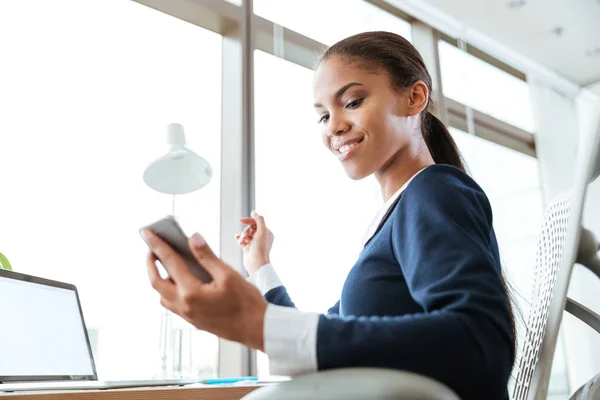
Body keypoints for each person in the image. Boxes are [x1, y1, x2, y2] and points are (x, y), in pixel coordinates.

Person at [140, 31, 515, 400]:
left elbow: (481, 345)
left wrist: (259, 324)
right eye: (323, 116)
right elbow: (329, 343)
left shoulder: (433, 190)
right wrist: (260, 267)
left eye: (352, 102)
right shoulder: (399, 215)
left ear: (414, 98)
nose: (334, 126)